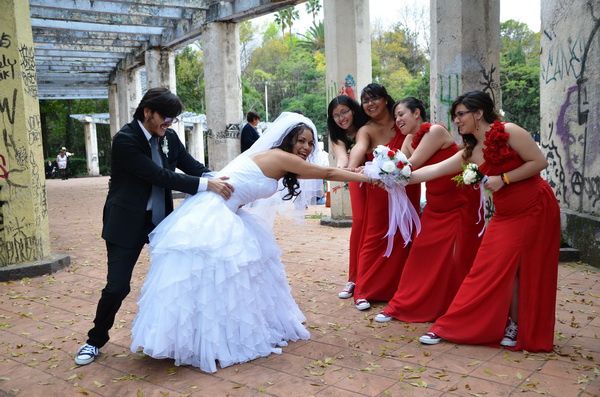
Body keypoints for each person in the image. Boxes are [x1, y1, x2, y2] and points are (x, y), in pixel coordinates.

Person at [129, 112, 381, 373]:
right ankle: (207, 343)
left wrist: (357, 171)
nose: (306, 147)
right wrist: (369, 177)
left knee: (229, 282)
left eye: (310, 143)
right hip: (214, 213)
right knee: (215, 281)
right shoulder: (281, 157)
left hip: (228, 210)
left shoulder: (284, 160)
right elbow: (327, 171)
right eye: (301, 141)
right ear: (288, 140)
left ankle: (215, 339)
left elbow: (327, 171)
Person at [74, 87, 234, 366]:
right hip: (126, 223)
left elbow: (189, 164)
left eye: (173, 119)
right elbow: (159, 175)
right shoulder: (125, 140)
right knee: (117, 286)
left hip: (162, 222)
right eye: (166, 117)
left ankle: (177, 340)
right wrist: (206, 185)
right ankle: (95, 340)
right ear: (148, 112)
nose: (169, 124)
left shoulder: (169, 136)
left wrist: (217, 176)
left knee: (176, 280)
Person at [412, 91, 559, 352]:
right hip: (505, 215)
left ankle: (517, 325)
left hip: (535, 207)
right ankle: (457, 325)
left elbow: (539, 162)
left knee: (524, 269)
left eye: (461, 115)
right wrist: (395, 176)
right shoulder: (471, 151)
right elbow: (433, 170)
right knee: (486, 268)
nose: (456, 121)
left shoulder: (510, 131)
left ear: (478, 113)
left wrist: (504, 179)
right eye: (455, 116)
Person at [373, 97, 481, 324]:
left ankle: (454, 307)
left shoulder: (435, 131)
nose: (398, 120)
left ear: (417, 113)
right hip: (436, 206)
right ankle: (403, 304)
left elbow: (411, 165)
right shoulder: (409, 140)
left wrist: (384, 174)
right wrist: (380, 174)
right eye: (395, 117)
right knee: (421, 255)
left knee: (458, 259)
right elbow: (404, 171)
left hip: (458, 205)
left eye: (401, 114)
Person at [347, 84, 421, 311]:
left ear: (386, 100)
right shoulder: (366, 130)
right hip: (380, 190)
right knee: (375, 236)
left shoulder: (403, 122)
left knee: (404, 237)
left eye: (374, 98)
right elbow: (359, 149)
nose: (369, 104)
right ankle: (363, 290)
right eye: (365, 100)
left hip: (408, 187)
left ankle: (398, 288)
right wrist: (352, 168)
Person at [326, 95, 368, 299]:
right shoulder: (337, 137)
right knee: (360, 224)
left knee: (377, 227)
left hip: (377, 179)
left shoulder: (367, 128)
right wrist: (343, 170)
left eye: (344, 112)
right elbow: (342, 158)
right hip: (356, 180)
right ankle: (353, 278)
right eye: (336, 115)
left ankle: (371, 278)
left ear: (353, 110)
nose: (341, 118)